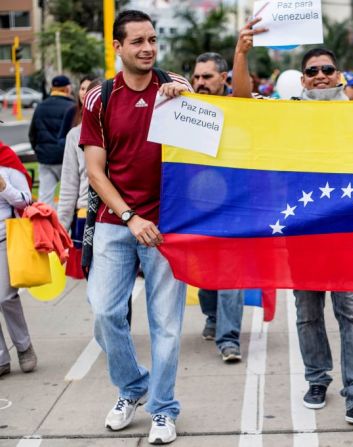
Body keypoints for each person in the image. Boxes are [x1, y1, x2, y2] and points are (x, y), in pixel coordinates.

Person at [232, 18, 353, 426]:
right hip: (303, 232)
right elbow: (242, 101)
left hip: (351, 233)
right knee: (308, 310)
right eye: (313, 71)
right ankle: (317, 379)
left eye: (327, 70)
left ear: (340, 76)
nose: (320, 76)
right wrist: (242, 53)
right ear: (303, 78)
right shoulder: (288, 113)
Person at [79, 10, 192, 445]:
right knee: (106, 313)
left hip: (167, 225)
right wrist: (130, 216)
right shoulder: (101, 98)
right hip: (115, 222)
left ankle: (163, 409)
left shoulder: (176, 86)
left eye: (152, 40)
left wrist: (188, 100)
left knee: (165, 323)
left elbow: (212, 140)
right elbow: (95, 171)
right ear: (118, 47)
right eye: (138, 41)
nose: (147, 48)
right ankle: (132, 386)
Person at [190, 51, 246, 363]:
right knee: (205, 274)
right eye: (196, 77)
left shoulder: (241, 106)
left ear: (223, 78)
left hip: (236, 209)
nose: (200, 82)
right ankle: (212, 317)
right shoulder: (185, 108)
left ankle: (229, 339)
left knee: (230, 275)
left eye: (207, 77)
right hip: (198, 209)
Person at [57, 77, 100, 278]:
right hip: (86, 215)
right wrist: (61, 229)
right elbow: (68, 185)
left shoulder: (122, 130)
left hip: (120, 218)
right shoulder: (75, 135)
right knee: (94, 284)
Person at [0, 140, 36, 378]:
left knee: (5, 297)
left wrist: (4, 188)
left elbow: (27, 200)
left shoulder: (7, 161)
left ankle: (24, 347)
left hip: (5, 238)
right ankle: (1, 358)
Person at [28, 75, 75, 207]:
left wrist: (39, 151)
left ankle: (45, 226)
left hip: (45, 159)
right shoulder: (72, 107)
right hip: (66, 160)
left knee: (45, 197)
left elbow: (32, 134)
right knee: (69, 197)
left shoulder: (41, 106)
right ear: (67, 89)